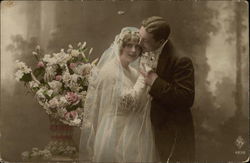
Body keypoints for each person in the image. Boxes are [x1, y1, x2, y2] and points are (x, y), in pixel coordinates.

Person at [79, 27, 157, 162]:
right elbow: (127, 103)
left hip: (134, 131)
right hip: (116, 131)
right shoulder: (110, 71)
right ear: (121, 46)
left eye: (137, 47)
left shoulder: (133, 71)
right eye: (129, 45)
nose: (133, 50)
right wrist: (143, 79)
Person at [139, 16, 195, 163]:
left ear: (161, 41)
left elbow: (186, 98)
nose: (139, 43)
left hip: (171, 131)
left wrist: (155, 82)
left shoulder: (180, 60)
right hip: (146, 127)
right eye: (140, 37)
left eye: (145, 40)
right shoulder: (141, 50)